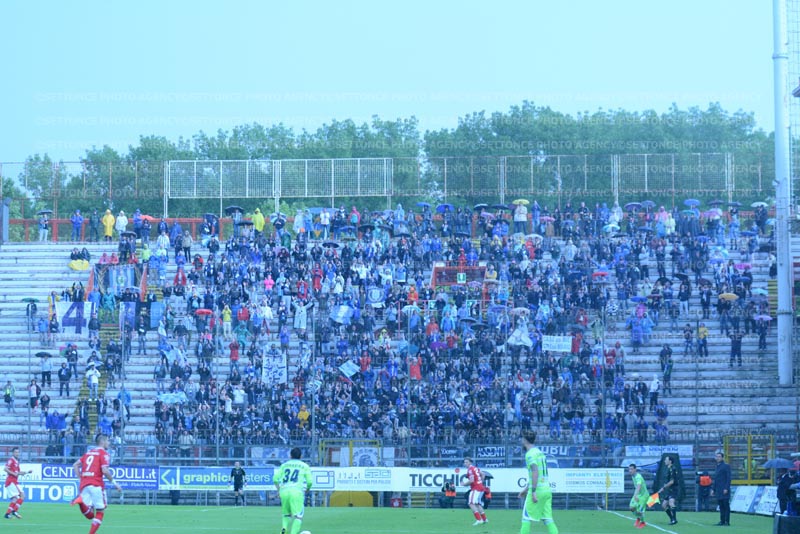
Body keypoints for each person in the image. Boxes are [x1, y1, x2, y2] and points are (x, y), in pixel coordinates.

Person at [71, 434, 122, 534]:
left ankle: (81, 502)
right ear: (103, 442)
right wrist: (115, 483)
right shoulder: (104, 454)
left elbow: (75, 465)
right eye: (108, 441)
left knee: (90, 515)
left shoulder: (88, 453)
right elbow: (105, 471)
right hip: (96, 484)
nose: (109, 443)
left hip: (84, 485)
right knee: (100, 512)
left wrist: (81, 478)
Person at [518, 430, 558, 534]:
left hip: (538, 490)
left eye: (522, 438)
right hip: (547, 490)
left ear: (525, 440)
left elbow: (535, 472)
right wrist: (525, 489)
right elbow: (537, 474)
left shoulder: (530, 454)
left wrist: (533, 491)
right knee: (548, 519)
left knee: (526, 518)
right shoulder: (540, 453)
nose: (521, 441)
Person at [274, 447, 312, 534]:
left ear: (290, 456)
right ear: (301, 456)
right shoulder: (304, 466)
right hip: (296, 492)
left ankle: (284, 529)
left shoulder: (284, 465)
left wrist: (279, 490)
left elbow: (275, 479)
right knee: (298, 516)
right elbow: (310, 482)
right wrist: (308, 489)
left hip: (284, 491)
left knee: (286, 514)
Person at [4, 447, 31, 519]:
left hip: (15, 481)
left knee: (17, 498)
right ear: (13, 453)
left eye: (18, 452)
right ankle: (14, 511)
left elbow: (18, 472)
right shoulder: (11, 460)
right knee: (20, 496)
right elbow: (5, 469)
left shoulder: (16, 461)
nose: (17, 453)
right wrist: (13, 473)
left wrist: (27, 472)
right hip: (11, 481)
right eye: (16, 452)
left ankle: (8, 514)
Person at [462, 456, 488, 525]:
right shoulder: (475, 468)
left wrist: (464, 484)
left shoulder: (470, 469)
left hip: (476, 488)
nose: (465, 464)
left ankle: (479, 520)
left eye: (466, 462)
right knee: (477, 504)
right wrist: (480, 482)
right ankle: (485, 519)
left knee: (471, 503)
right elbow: (483, 474)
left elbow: (471, 480)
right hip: (480, 487)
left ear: (470, 462)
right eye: (464, 462)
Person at [658, 455, 679, 525]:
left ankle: (674, 520)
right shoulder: (668, 468)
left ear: (670, 461)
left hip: (673, 489)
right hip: (669, 490)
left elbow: (672, 481)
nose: (665, 461)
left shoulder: (672, 469)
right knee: (664, 505)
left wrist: (663, 488)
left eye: (666, 460)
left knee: (671, 503)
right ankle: (672, 519)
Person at [711, 451, 731, 526]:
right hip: (719, 489)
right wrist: (713, 489)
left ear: (722, 458)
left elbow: (728, 478)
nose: (718, 458)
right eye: (717, 456)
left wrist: (726, 488)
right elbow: (716, 479)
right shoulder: (717, 467)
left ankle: (727, 521)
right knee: (721, 506)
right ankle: (722, 520)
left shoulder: (726, 466)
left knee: (726, 505)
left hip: (724, 489)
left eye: (719, 456)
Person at [628, 464, 648, 529]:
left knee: (639, 511)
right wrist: (636, 495)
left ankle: (643, 522)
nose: (630, 470)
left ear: (635, 469)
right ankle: (638, 518)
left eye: (631, 469)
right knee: (631, 508)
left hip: (643, 496)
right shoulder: (633, 476)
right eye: (629, 469)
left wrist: (635, 495)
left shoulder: (638, 477)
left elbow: (639, 486)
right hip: (638, 494)